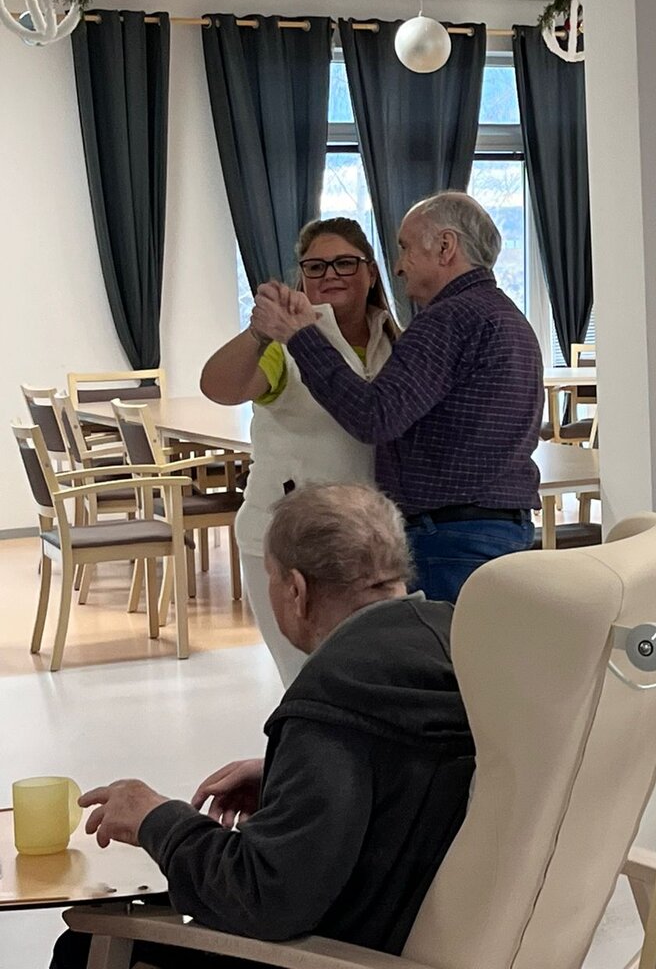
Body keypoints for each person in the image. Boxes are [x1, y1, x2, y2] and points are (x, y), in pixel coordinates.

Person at [50, 484, 474, 969]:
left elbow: (264, 896)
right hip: (413, 931)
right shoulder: (460, 642)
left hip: (333, 953)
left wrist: (157, 820)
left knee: (83, 945)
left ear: (296, 589)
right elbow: (411, 783)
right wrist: (284, 776)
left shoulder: (334, 695)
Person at [251, 191, 543, 603]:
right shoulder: (508, 317)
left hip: (450, 539)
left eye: (405, 248)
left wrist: (300, 338)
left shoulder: (448, 320)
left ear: (445, 247)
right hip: (495, 529)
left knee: (440, 646)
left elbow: (375, 416)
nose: (399, 266)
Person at [200, 218, 399, 684]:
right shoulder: (284, 348)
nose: (330, 274)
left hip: (372, 544)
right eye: (316, 266)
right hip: (290, 542)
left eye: (345, 263)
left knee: (373, 679)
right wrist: (260, 332)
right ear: (302, 277)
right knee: (308, 679)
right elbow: (219, 387)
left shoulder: (398, 340)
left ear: (371, 272)